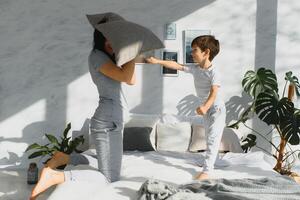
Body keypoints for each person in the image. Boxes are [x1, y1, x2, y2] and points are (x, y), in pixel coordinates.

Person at [29, 20, 136, 200]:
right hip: (109, 121)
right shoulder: (97, 57)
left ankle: (63, 158)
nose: (112, 43)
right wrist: (132, 52)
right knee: (109, 177)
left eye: (114, 39)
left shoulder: (107, 58)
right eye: (108, 39)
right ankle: (56, 176)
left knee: (99, 161)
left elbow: (131, 79)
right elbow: (126, 76)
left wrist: (132, 54)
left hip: (110, 118)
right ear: (101, 39)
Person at [146, 35, 226, 180]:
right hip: (207, 109)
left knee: (213, 137)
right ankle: (215, 160)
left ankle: (207, 171)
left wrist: (205, 107)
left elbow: (214, 92)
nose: (192, 53)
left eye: (195, 50)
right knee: (209, 137)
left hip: (216, 109)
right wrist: (157, 61)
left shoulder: (214, 72)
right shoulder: (196, 69)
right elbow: (177, 65)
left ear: (206, 52)